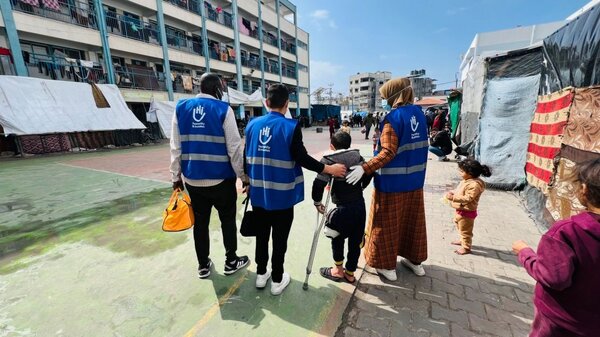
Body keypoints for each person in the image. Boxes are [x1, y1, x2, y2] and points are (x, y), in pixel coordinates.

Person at [245, 84, 346, 295]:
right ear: (286, 104)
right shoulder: (290, 127)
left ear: (266, 102)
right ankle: (277, 279)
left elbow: (246, 158)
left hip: (259, 195)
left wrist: (247, 182)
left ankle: (261, 275)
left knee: (262, 236)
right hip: (282, 197)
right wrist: (330, 169)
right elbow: (302, 158)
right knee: (279, 239)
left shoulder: (252, 125)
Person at [346, 77, 429, 281]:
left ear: (394, 95)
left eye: (384, 97)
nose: (384, 100)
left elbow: (388, 152)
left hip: (392, 184)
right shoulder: (419, 114)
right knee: (412, 222)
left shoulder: (393, 119)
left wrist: (364, 168)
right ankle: (415, 261)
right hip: (415, 181)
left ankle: (386, 267)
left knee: (386, 224)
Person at [170, 73, 249, 279]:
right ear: (217, 89)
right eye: (222, 88)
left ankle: (203, 265)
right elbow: (234, 148)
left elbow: (175, 147)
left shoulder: (181, 109)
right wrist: (243, 176)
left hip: (193, 181)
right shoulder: (224, 110)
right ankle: (231, 261)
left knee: (200, 223)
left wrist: (175, 177)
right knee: (227, 220)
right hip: (221, 180)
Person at [512, 158, 600, 337]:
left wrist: (525, 253)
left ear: (584, 189)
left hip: (560, 322)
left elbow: (554, 278)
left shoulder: (568, 231)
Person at [312, 132, 372, 284]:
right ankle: (350, 273)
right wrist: (361, 187)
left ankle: (338, 271)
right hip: (359, 205)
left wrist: (317, 202)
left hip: (342, 208)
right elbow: (369, 173)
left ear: (331, 146)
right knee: (356, 240)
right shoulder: (357, 157)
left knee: (337, 237)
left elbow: (318, 183)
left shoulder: (329, 160)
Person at [445, 159, 491, 255]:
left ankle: (466, 247)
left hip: (467, 212)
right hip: (461, 209)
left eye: (462, 171)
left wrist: (453, 197)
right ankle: (463, 240)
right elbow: (461, 191)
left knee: (466, 231)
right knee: (460, 226)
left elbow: (468, 198)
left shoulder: (474, 185)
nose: (460, 173)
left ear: (470, 173)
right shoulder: (467, 180)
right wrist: (453, 192)